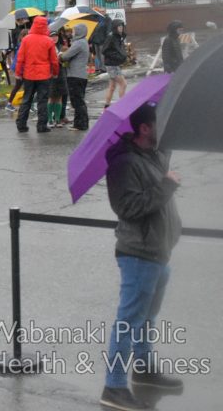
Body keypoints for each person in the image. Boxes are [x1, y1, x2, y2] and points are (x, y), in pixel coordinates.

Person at [100, 103, 183, 411]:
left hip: (160, 251)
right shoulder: (124, 163)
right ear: (145, 128)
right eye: (160, 123)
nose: (166, 127)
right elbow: (128, 208)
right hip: (138, 253)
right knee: (128, 321)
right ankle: (114, 386)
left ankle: (145, 370)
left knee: (147, 320)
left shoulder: (154, 154)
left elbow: (168, 148)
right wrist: (167, 186)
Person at [15, 16, 59, 133]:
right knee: (42, 100)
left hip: (29, 74)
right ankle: (41, 125)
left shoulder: (26, 40)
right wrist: (55, 73)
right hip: (44, 75)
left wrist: (19, 73)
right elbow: (54, 60)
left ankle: (21, 124)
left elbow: (20, 58)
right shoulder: (48, 41)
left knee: (26, 99)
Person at [60, 24, 90, 131]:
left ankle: (81, 124)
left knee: (77, 100)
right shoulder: (84, 42)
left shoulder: (78, 43)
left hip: (75, 75)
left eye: (74, 31)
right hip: (81, 75)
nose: (72, 33)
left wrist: (60, 55)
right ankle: (79, 123)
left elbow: (65, 56)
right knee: (78, 100)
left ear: (79, 32)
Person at [102, 19, 128, 109]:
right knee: (123, 84)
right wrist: (117, 56)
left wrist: (121, 56)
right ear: (115, 27)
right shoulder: (111, 37)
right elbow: (104, 50)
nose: (121, 28)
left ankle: (106, 106)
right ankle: (123, 105)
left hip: (114, 64)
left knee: (112, 86)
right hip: (111, 64)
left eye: (122, 26)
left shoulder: (118, 36)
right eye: (119, 26)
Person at [48, 27, 71, 128]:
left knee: (60, 97)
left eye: (56, 36)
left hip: (61, 73)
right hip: (51, 74)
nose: (54, 38)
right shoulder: (47, 47)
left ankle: (58, 119)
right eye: (52, 36)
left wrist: (63, 59)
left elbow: (67, 62)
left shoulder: (63, 47)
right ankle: (50, 119)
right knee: (51, 97)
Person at [5, 28, 28, 111]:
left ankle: (11, 103)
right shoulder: (22, 46)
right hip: (21, 71)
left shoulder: (23, 45)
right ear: (21, 37)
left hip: (24, 70)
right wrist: (15, 70)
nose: (27, 37)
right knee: (20, 87)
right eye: (25, 36)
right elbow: (17, 59)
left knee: (25, 88)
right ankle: (9, 104)